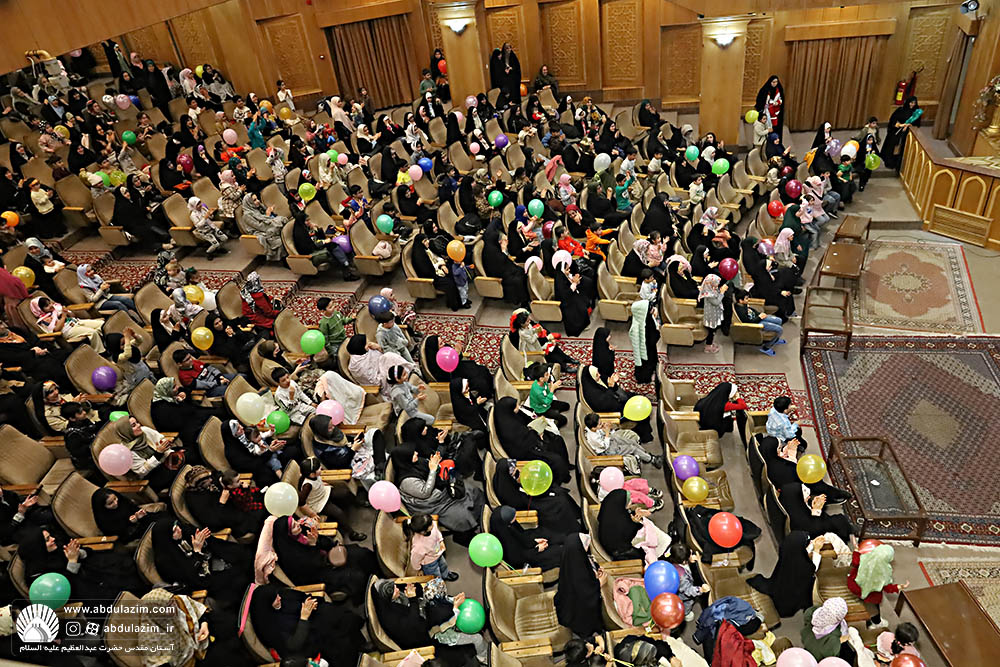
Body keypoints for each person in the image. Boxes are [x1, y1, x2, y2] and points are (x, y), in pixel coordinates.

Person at [247, 583, 366, 665]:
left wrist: (309, 602)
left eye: (277, 595)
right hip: (305, 639)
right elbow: (293, 645)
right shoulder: (271, 627)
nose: (279, 598)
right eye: (275, 599)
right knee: (339, 640)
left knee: (337, 614)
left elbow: (299, 597)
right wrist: (304, 617)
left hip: (311, 617)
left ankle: (361, 639)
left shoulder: (281, 596)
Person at [391, 445, 484, 544]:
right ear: (405, 458)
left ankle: (480, 517)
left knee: (469, 492)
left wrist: (435, 462)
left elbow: (430, 467)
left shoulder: (415, 463)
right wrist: (432, 470)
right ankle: (463, 534)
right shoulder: (407, 481)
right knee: (462, 515)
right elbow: (425, 493)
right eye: (413, 453)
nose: (416, 453)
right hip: (430, 504)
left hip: (436, 491)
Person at [149, 518, 253, 606]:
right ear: (167, 536)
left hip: (208, 566)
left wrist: (201, 541)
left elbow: (195, 539)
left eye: (177, 526)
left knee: (242, 558)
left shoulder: (178, 539)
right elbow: (191, 577)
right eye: (174, 530)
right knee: (240, 579)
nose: (179, 529)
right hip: (200, 582)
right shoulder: (165, 561)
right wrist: (197, 551)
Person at [747, 531, 818, 617]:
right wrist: (817, 550)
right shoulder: (805, 566)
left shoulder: (787, 555)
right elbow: (815, 568)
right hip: (792, 603)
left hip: (781, 596)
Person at [554, 533, 605, 636]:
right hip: (578, 612)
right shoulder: (577, 569)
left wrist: (595, 571)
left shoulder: (572, 558)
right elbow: (586, 592)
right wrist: (600, 582)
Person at [847, 544, 908, 628]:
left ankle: (869, 620)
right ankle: (876, 622)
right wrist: (899, 587)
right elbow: (887, 588)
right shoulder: (883, 573)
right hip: (870, 595)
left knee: (865, 601)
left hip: (855, 586)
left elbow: (855, 562)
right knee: (874, 609)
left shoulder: (864, 558)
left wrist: (856, 551)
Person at [488, 504, 564, 570]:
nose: (515, 517)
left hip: (527, 550)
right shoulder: (505, 540)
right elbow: (517, 559)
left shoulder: (507, 526)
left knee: (550, 536)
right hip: (527, 560)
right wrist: (537, 549)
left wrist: (534, 541)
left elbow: (521, 536)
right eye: (513, 518)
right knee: (558, 552)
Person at [583, 412, 661, 467]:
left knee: (631, 442)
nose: (602, 423)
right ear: (593, 428)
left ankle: (645, 455)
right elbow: (604, 446)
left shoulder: (592, 427)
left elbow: (603, 433)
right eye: (600, 424)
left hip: (609, 441)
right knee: (632, 448)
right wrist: (607, 433)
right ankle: (652, 459)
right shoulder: (593, 438)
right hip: (607, 451)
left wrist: (606, 429)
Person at [30, 296, 105, 352]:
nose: (50, 305)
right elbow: (56, 330)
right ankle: (100, 352)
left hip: (76, 322)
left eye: (50, 303)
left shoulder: (57, 309)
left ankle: (106, 342)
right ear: (40, 310)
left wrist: (67, 312)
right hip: (67, 331)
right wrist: (63, 317)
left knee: (101, 324)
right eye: (47, 306)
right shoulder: (44, 320)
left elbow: (73, 316)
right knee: (92, 332)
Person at [89, 487, 162, 543]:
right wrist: (131, 522)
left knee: (160, 516)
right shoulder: (103, 519)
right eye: (110, 503)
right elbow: (120, 533)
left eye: (115, 498)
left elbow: (132, 507)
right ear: (103, 507)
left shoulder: (121, 501)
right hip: (130, 533)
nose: (116, 503)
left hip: (139, 522)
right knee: (159, 525)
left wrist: (139, 514)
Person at [404, 513, 458, 581]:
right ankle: (439, 582)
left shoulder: (431, 526)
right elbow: (415, 560)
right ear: (423, 531)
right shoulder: (419, 546)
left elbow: (437, 533)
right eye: (431, 524)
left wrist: (441, 541)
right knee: (436, 575)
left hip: (438, 553)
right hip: (429, 563)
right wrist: (419, 569)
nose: (433, 523)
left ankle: (446, 574)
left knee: (443, 565)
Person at [801, 597, 855, 662]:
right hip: (819, 658)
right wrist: (841, 640)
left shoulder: (811, 614)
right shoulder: (832, 640)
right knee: (848, 654)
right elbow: (831, 653)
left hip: (808, 646)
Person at [597, 489, 644, 560]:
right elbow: (630, 535)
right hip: (621, 551)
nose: (631, 502)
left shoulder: (609, 508)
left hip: (609, 543)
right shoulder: (620, 522)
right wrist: (636, 523)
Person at [733, 289, 784, 356]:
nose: (748, 300)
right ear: (740, 300)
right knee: (780, 330)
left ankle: (775, 339)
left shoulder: (743, 304)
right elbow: (749, 322)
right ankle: (766, 347)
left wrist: (760, 314)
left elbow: (752, 310)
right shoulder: (740, 310)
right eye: (746, 298)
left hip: (758, 318)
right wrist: (759, 317)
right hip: (756, 323)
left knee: (779, 320)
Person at [882, 96, 921, 171]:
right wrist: (900, 125)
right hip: (897, 131)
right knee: (893, 146)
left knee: (902, 149)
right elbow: (893, 120)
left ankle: (898, 164)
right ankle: (890, 162)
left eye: (914, 103)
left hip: (906, 133)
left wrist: (909, 125)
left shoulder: (915, 113)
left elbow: (917, 124)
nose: (912, 104)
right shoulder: (900, 110)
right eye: (911, 102)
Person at [527, 362, 569, 427]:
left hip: (546, 401)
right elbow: (547, 402)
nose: (549, 375)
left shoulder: (543, 382)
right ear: (541, 378)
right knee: (564, 420)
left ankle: (554, 412)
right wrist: (552, 389)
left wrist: (553, 386)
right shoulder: (538, 392)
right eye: (546, 375)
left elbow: (547, 392)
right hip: (541, 409)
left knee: (566, 406)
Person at [240, 272, 281, 336]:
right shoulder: (258, 296)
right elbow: (268, 313)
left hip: (249, 313)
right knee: (277, 322)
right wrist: (279, 311)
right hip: (255, 317)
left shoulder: (246, 290)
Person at [629, 298, 659, 383]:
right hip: (645, 352)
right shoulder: (636, 328)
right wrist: (657, 333)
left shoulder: (646, 318)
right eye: (650, 309)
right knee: (646, 366)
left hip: (650, 349)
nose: (653, 310)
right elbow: (651, 340)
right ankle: (645, 379)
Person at [697, 274, 726, 354]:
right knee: (711, 332)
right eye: (716, 283)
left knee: (713, 331)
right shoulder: (708, 294)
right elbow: (716, 302)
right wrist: (722, 293)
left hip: (714, 314)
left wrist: (720, 291)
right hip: (711, 316)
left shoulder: (712, 289)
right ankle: (708, 346)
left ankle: (710, 343)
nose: (717, 285)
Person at [755, 75, 786, 140]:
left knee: (775, 128)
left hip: (776, 112)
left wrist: (778, 102)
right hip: (766, 112)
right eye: (773, 82)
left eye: (776, 82)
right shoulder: (765, 90)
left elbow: (781, 99)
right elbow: (760, 100)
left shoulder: (779, 90)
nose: (775, 83)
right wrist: (764, 105)